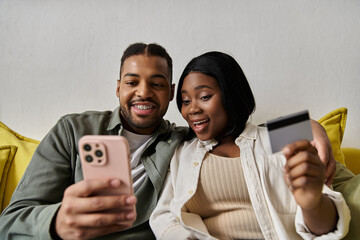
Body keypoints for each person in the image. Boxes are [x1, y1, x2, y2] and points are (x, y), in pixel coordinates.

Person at [0, 43, 337, 240]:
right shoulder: (74, 131)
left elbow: (243, 135)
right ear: (118, 87)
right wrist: (58, 223)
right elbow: (10, 222)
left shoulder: (183, 140)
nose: (143, 92)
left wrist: (309, 127)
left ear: (169, 93)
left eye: (157, 84)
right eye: (132, 82)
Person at [150, 51, 350, 240]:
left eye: (204, 97)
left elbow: (330, 228)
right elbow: (163, 216)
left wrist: (312, 205)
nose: (192, 109)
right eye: (185, 101)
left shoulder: (276, 137)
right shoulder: (181, 152)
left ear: (232, 95)